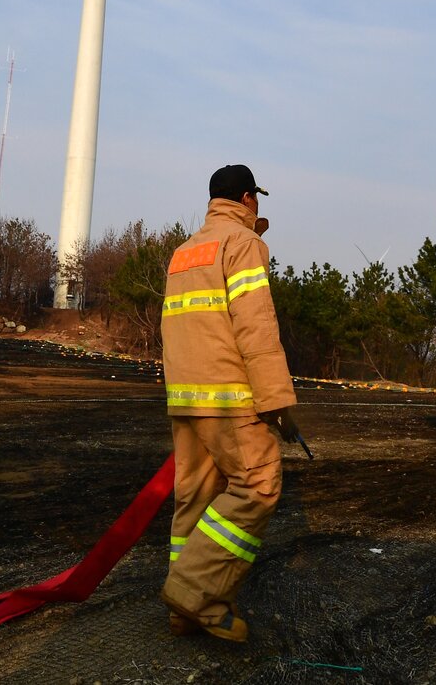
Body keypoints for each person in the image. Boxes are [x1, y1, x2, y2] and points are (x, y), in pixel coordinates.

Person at [159, 164, 300, 642]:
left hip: (186, 397)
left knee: (195, 496)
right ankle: (193, 592)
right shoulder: (242, 245)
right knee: (258, 483)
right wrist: (277, 400)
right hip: (229, 395)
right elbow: (256, 327)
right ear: (247, 199)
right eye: (256, 198)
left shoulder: (183, 253)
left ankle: (186, 611)